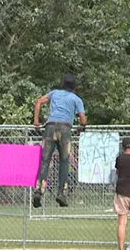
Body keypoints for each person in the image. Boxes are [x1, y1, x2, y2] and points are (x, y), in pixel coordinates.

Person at [32, 74, 87, 208]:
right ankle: (61, 193)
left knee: (45, 160)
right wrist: (81, 127)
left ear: (62, 84)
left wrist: (36, 121)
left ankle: (39, 189)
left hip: (50, 127)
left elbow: (38, 102)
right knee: (64, 161)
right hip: (65, 128)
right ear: (74, 87)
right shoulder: (76, 99)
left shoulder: (54, 93)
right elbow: (83, 119)